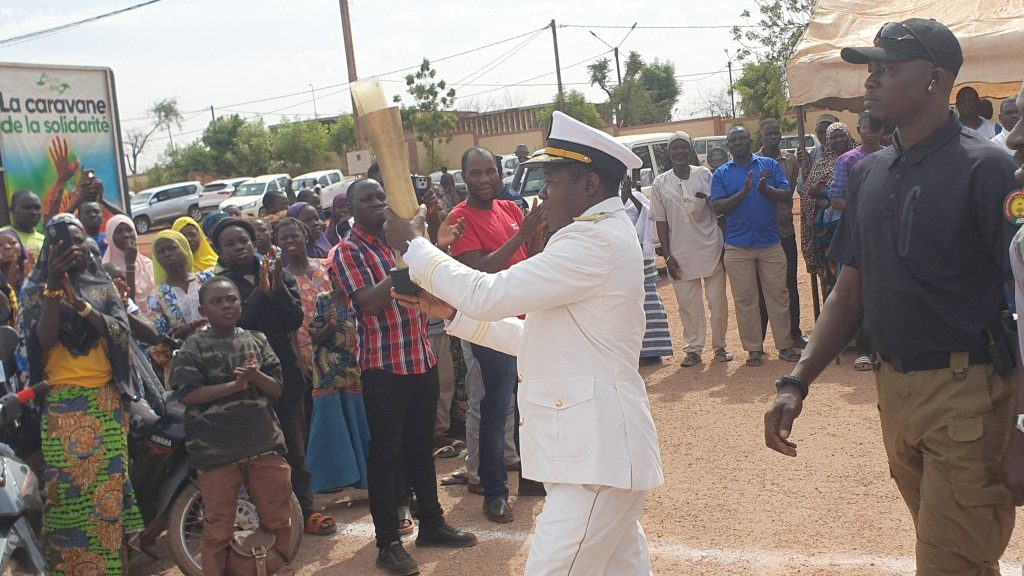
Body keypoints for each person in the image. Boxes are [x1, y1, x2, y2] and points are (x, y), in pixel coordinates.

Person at [765, 20, 1021, 573]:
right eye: (869, 67)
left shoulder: (990, 170)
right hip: (895, 393)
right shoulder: (872, 173)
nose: (871, 79)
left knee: (950, 565)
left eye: (886, 67)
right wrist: (796, 381)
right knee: (962, 561)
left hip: (969, 396)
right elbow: (849, 292)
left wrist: (1023, 428)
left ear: (934, 79)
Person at [386, 111, 663, 576]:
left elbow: (488, 294)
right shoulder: (596, 237)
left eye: (551, 183)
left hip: (594, 463)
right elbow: (536, 337)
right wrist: (455, 315)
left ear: (590, 185)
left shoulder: (591, 242)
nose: (542, 196)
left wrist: (417, 247)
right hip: (596, 458)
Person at [335, 178, 476, 575]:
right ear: (352, 209)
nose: (379, 203)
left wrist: (434, 247)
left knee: (420, 447)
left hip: (420, 358)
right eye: (369, 199)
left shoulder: (401, 242)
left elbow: (433, 282)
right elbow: (369, 304)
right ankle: (388, 543)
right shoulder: (347, 252)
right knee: (385, 455)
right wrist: (407, 255)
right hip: (383, 367)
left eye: (382, 195)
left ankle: (431, 523)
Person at [22, 213, 143, 575]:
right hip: (61, 406)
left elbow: (121, 334)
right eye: (62, 242)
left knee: (107, 501)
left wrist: (84, 306)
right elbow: (41, 342)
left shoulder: (102, 284)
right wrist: (54, 293)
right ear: (50, 249)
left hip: (106, 402)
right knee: (65, 497)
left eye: (78, 240)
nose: (73, 248)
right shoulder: (34, 290)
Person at [209, 217, 335, 537]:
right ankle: (269, 516)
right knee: (257, 452)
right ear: (219, 251)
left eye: (244, 240)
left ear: (254, 242)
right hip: (244, 376)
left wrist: (278, 290)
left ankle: (306, 510)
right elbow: (240, 322)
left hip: (285, 373)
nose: (239, 247)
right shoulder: (220, 284)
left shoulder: (278, 270)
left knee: (295, 447)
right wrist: (261, 293)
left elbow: (294, 319)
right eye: (231, 243)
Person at [446, 147, 548, 523]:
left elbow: (530, 257)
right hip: (490, 326)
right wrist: (523, 231)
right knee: (495, 408)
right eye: (476, 173)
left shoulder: (509, 209)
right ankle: (494, 491)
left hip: (525, 321)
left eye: (491, 171)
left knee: (529, 401)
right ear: (464, 178)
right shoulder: (459, 217)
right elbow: (478, 272)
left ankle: (532, 477)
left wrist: (536, 231)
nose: (485, 179)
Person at [170, 276, 295, 576]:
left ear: (241, 302)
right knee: (217, 528)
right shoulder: (193, 346)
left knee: (278, 517)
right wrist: (235, 386)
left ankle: (278, 568)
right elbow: (187, 394)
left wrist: (255, 378)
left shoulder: (257, 339)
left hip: (262, 443)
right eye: (217, 302)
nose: (226, 306)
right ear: (203, 310)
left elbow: (277, 389)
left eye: (232, 299)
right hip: (216, 452)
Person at [712, 126, 801, 366]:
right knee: (745, 299)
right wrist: (744, 192)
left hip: (770, 242)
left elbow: (785, 195)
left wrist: (765, 189)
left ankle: (785, 346)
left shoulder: (769, 166)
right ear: (728, 146)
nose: (738, 143)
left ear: (750, 141)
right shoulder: (721, 173)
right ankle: (753, 349)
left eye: (742, 138)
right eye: (734, 140)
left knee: (779, 295)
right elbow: (718, 208)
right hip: (738, 246)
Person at [652, 131, 730, 368]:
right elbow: (661, 222)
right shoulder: (660, 183)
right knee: (688, 305)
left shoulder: (704, 175)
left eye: (683, 147)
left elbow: (718, 212)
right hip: (680, 254)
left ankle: (720, 347)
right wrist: (667, 255)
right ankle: (694, 349)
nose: (679, 151)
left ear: (690, 150)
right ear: (669, 152)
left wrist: (726, 245)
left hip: (711, 248)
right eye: (674, 148)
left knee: (717, 303)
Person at [306, 250, 369, 492]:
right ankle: (332, 481)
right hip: (328, 371)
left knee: (359, 420)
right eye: (333, 274)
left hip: (357, 369)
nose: (337, 279)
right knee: (330, 424)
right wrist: (331, 325)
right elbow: (316, 337)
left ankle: (363, 478)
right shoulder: (325, 300)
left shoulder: (363, 297)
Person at [757, 119, 805, 349]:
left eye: (776, 133)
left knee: (789, 284)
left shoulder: (791, 160)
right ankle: (759, 339)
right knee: (761, 287)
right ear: (761, 135)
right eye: (769, 133)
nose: (773, 137)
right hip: (762, 233)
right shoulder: (753, 161)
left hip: (784, 230)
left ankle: (794, 333)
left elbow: (789, 193)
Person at [622, 174, 674, 364]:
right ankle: (631, 352)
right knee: (624, 306)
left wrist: (630, 197)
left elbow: (649, 215)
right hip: (619, 263)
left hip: (642, 259)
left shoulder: (637, 196)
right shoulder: (603, 203)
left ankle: (653, 351)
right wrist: (620, 200)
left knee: (650, 302)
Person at [145, 230, 211, 376]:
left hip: (219, 350)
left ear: (185, 249)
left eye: (172, 247)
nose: (167, 254)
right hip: (183, 364)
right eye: (161, 251)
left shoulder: (207, 280)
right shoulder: (156, 296)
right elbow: (158, 342)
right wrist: (187, 330)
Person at [275, 217, 331, 382]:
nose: (290, 241)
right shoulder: (283, 278)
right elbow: (288, 324)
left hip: (337, 342)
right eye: (284, 238)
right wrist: (298, 359)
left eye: (294, 236)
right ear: (278, 243)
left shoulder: (324, 266)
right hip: (307, 348)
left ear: (306, 237)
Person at [803, 122, 853, 297]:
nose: (839, 140)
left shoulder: (860, 157)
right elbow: (808, 195)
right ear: (828, 141)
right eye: (834, 137)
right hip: (829, 234)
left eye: (842, 135)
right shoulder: (821, 164)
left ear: (848, 136)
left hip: (856, 227)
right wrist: (821, 202)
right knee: (833, 281)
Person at [102, 214, 156, 303]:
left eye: (129, 230)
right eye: (119, 232)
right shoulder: (106, 269)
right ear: (110, 236)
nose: (126, 235)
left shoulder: (147, 264)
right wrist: (130, 264)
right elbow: (128, 301)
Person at [2, 189, 45, 262]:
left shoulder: (44, 240)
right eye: (26, 208)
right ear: (12, 210)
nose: (33, 212)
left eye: (37, 208)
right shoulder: (2, 235)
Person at [0, 229, 30, 294]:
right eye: (0, 245)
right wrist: (9, 285)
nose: (7, 247)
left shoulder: (32, 271)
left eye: (13, 243)